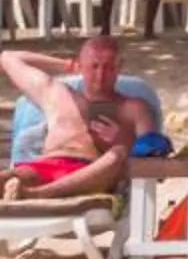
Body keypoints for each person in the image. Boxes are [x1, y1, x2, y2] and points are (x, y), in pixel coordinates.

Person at [0, 37, 155, 200]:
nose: (100, 75)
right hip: (43, 168)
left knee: (118, 153)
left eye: (109, 67)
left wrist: (123, 141)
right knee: (8, 178)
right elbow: (7, 58)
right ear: (81, 65)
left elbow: (153, 154)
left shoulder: (133, 107)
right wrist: (67, 65)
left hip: (93, 174)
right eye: (93, 66)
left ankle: (37, 195)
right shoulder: (57, 94)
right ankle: (27, 193)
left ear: (119, 67)